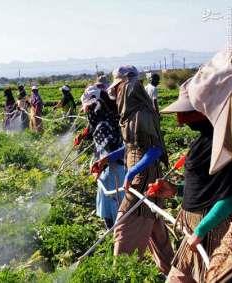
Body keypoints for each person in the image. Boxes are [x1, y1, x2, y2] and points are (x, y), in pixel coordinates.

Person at [92, 66, 174, 275]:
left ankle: (122, 276)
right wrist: (106, 158)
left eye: (119, 88)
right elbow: (132, 146)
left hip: (143, 180)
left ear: (128, 86)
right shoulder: (130, 113)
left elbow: (155, 150)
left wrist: (131, 172)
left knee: (125, 226)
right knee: (156, 232)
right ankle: (178, 275)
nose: (117, 93)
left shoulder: (140, 113)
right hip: (143, 177)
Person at [153, 79, 232, 282]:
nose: (180, 121)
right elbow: (208, 187)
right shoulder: (205, 141)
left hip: (214, 232)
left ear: (206, 108)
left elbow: (231, 195)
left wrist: (202, 229)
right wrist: (176, 190)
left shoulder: (225, 144)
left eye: (187, 113)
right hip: (197, 233)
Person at [74, 85, 125, 229]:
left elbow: (107, 153)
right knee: (116, 205)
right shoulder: (111, 117)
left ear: (96, 106)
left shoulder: (102, 125)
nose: (87, 112)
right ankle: (117, 237)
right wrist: (83, 135)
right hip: (117, 169)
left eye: (88, 109)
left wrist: (99, 167)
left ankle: (117, 240)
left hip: (113, 173)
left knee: (113, 207)